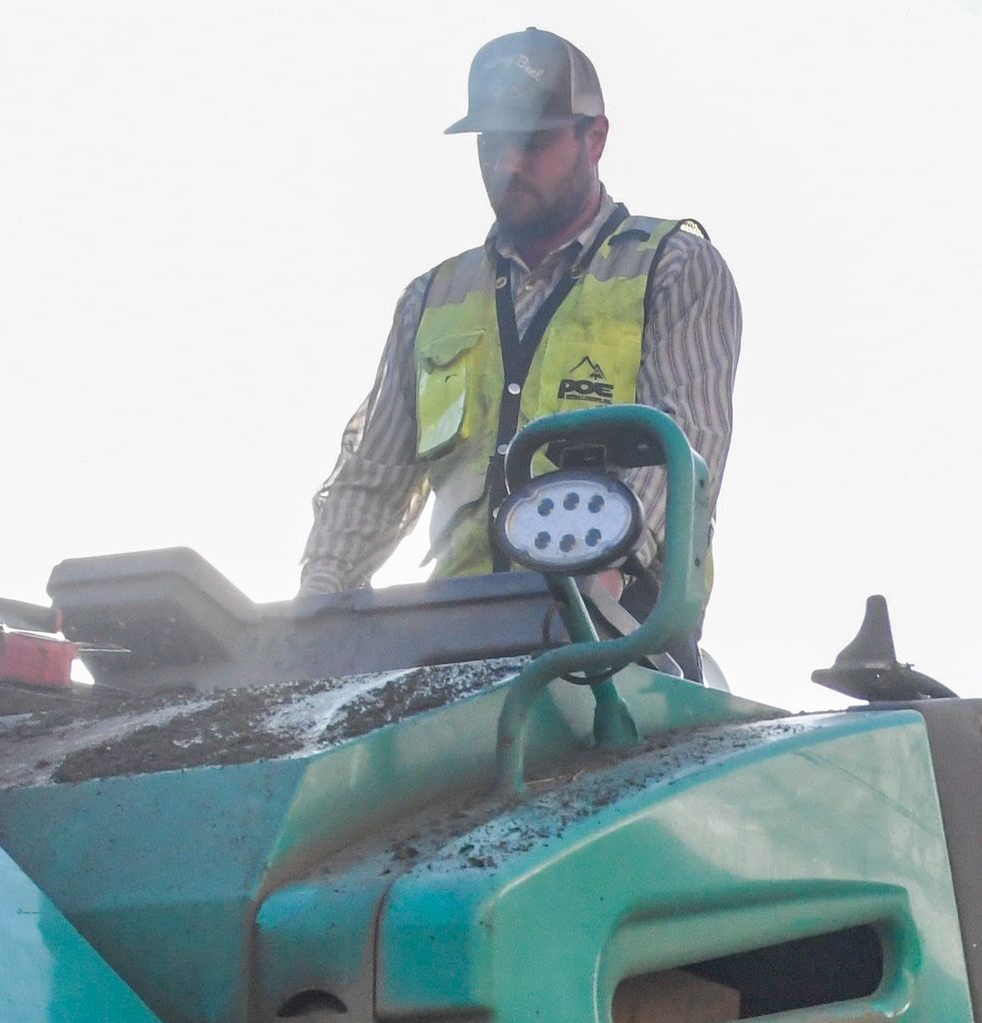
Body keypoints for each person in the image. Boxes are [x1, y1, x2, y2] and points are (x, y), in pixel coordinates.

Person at [299, 29, 743, 614]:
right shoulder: (431, 299)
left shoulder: (672, 268)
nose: (508, 163)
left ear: (597, 138)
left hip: (622, 638)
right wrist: (315, 609)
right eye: (491, 143)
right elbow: (369, 482)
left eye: (533, 141)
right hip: (460, 634)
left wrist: (604, 574)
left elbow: (683, 451)